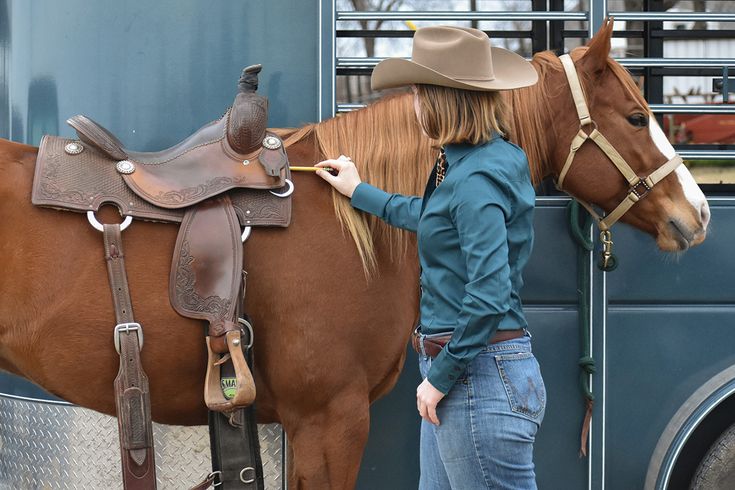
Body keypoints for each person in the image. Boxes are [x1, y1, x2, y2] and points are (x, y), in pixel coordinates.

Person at [315, 25, 546, 489]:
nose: (414, 103)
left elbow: (489, 295)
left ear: (441, 100)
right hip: (472, 373)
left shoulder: (475, 179)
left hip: (474, 376)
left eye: (419, 92)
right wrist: (360, 191)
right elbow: (436, 216)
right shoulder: (482, 159)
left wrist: (440, 376)